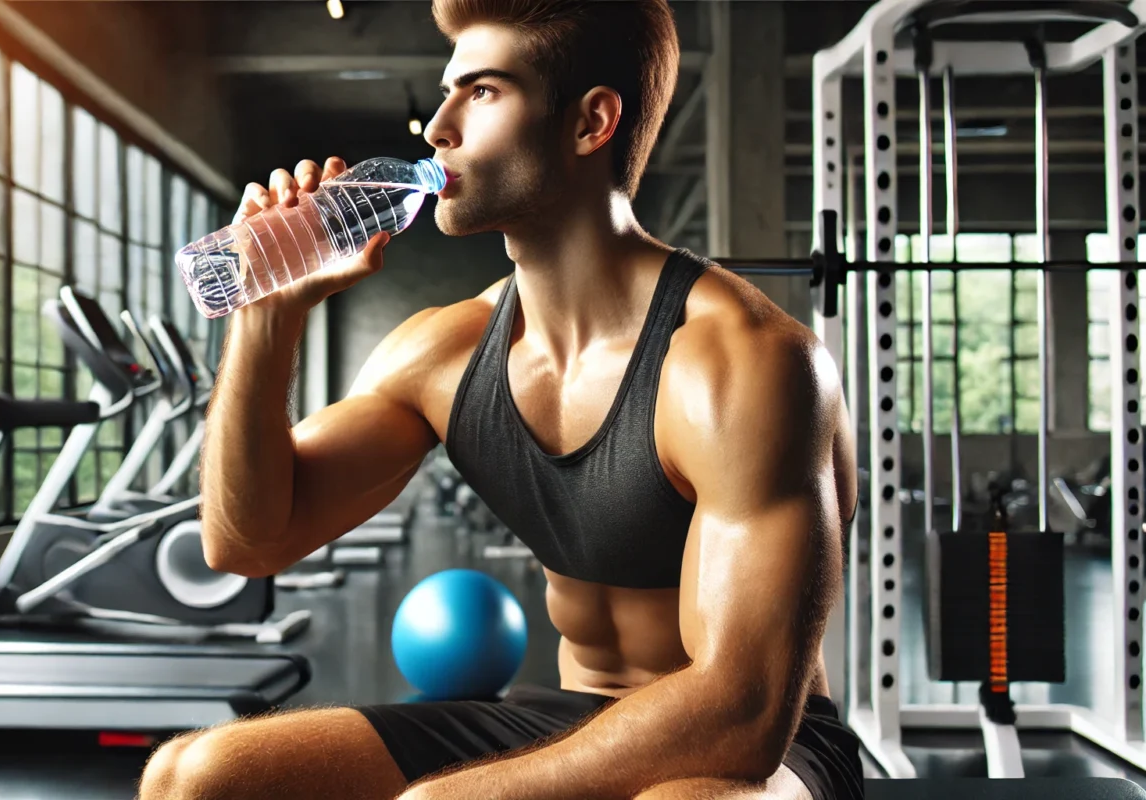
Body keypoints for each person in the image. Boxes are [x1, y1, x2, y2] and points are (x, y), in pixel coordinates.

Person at [139, 0, 863, 798]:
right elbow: (247, 541)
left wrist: (451, 796)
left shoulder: (744, 365)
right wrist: (264, 320)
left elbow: (742, 712)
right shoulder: (444, 352)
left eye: (481, 92)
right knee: (196, 776)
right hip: (571, 710)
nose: (438, 127)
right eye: (446, 93)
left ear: (590, 122)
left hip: (763, 746)